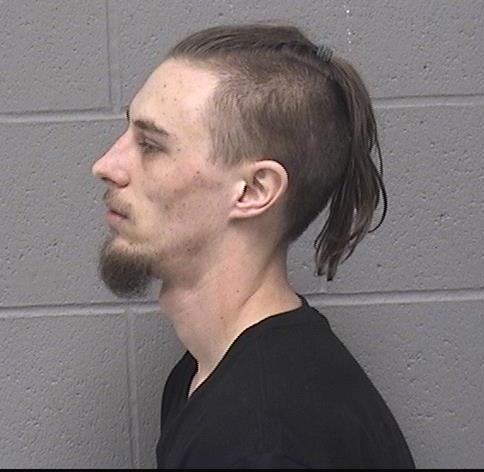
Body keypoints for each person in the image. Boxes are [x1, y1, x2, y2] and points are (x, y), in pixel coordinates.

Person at [92, 23, 415, 469]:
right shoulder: (204, 374)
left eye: (150, 145)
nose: (106, 165)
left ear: (253, 190)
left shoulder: (263, 439)